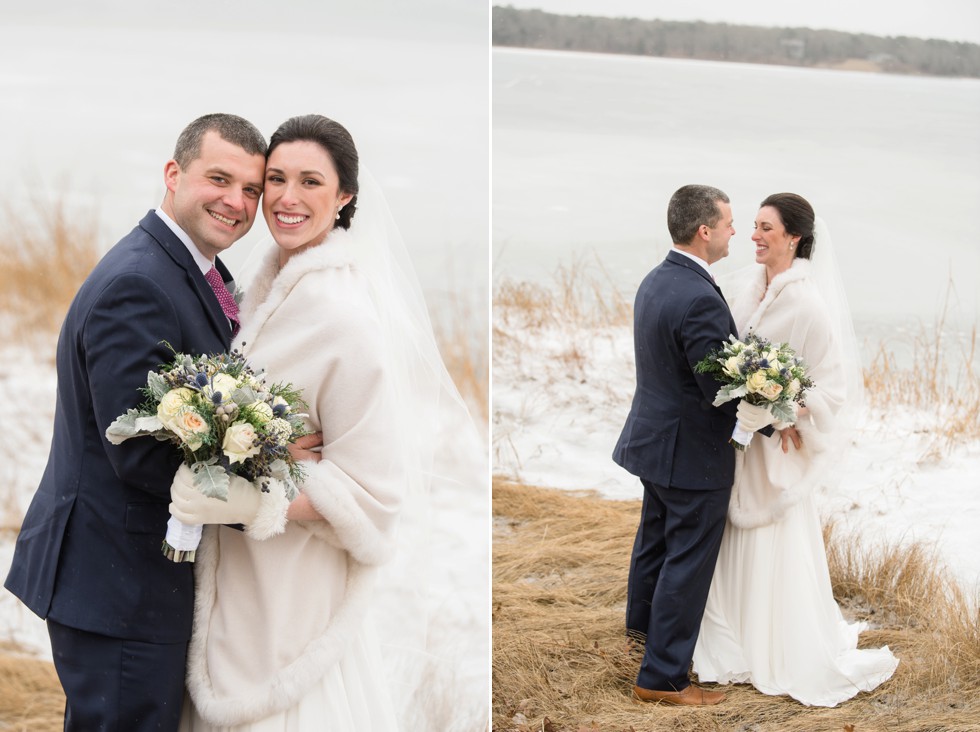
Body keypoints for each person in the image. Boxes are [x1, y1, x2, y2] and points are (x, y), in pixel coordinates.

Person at [167, 114, 468, 730]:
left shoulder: (343, 315)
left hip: (294, 592)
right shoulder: (265, 286)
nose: (287, 198)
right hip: (239, 587)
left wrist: (245, 497)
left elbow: (374, 492)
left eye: (310, 182)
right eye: (275, 179)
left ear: (345, 197)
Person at [3, 114, 268, 729]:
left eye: (251, 189)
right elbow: (138, 450)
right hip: (118, 584)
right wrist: (265, 484)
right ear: (174, 174)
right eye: (219, 178)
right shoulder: (138, 283)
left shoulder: (189, 269)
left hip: (124, 582)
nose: (236, 201)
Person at [692, 193, 899, 706]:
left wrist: (783, 405)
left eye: (766, 228)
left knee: (772, 545)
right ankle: (728, 642)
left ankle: (775, 646)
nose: (755, 236)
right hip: (738, 447)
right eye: (754, 226)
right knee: (728, 540)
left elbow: (831, 391)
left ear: (794, 238)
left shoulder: (808, 304)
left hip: (775, 455)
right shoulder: (746, 287)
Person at [612, 184, 774, 706]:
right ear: (704, 231)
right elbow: (719, 391)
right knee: (687, 558)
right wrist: (771, 420)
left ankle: (640, 634)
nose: (735, 231)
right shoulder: (701, 298)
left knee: (655, 542)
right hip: (691, 455)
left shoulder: (656, 280)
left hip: (652, 442)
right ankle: (661, 677)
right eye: (729, 223)